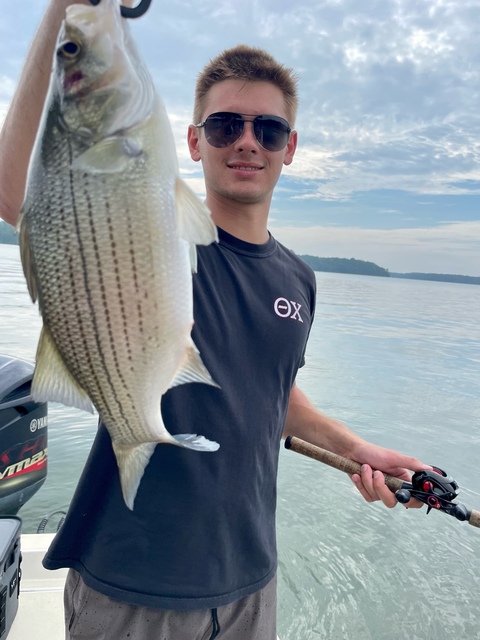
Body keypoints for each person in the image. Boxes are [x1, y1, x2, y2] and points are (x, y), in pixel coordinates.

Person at [0, 1, 430, 638]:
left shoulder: (298, 279)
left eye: (269, 130)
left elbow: (267, 392)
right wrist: (64, 17)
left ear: (291, 148)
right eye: (226, 125)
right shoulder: (154, 231)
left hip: (251, 579)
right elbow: (18, 197)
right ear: (195, 141)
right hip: (132, 582)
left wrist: (357, 448)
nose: (248, 142)